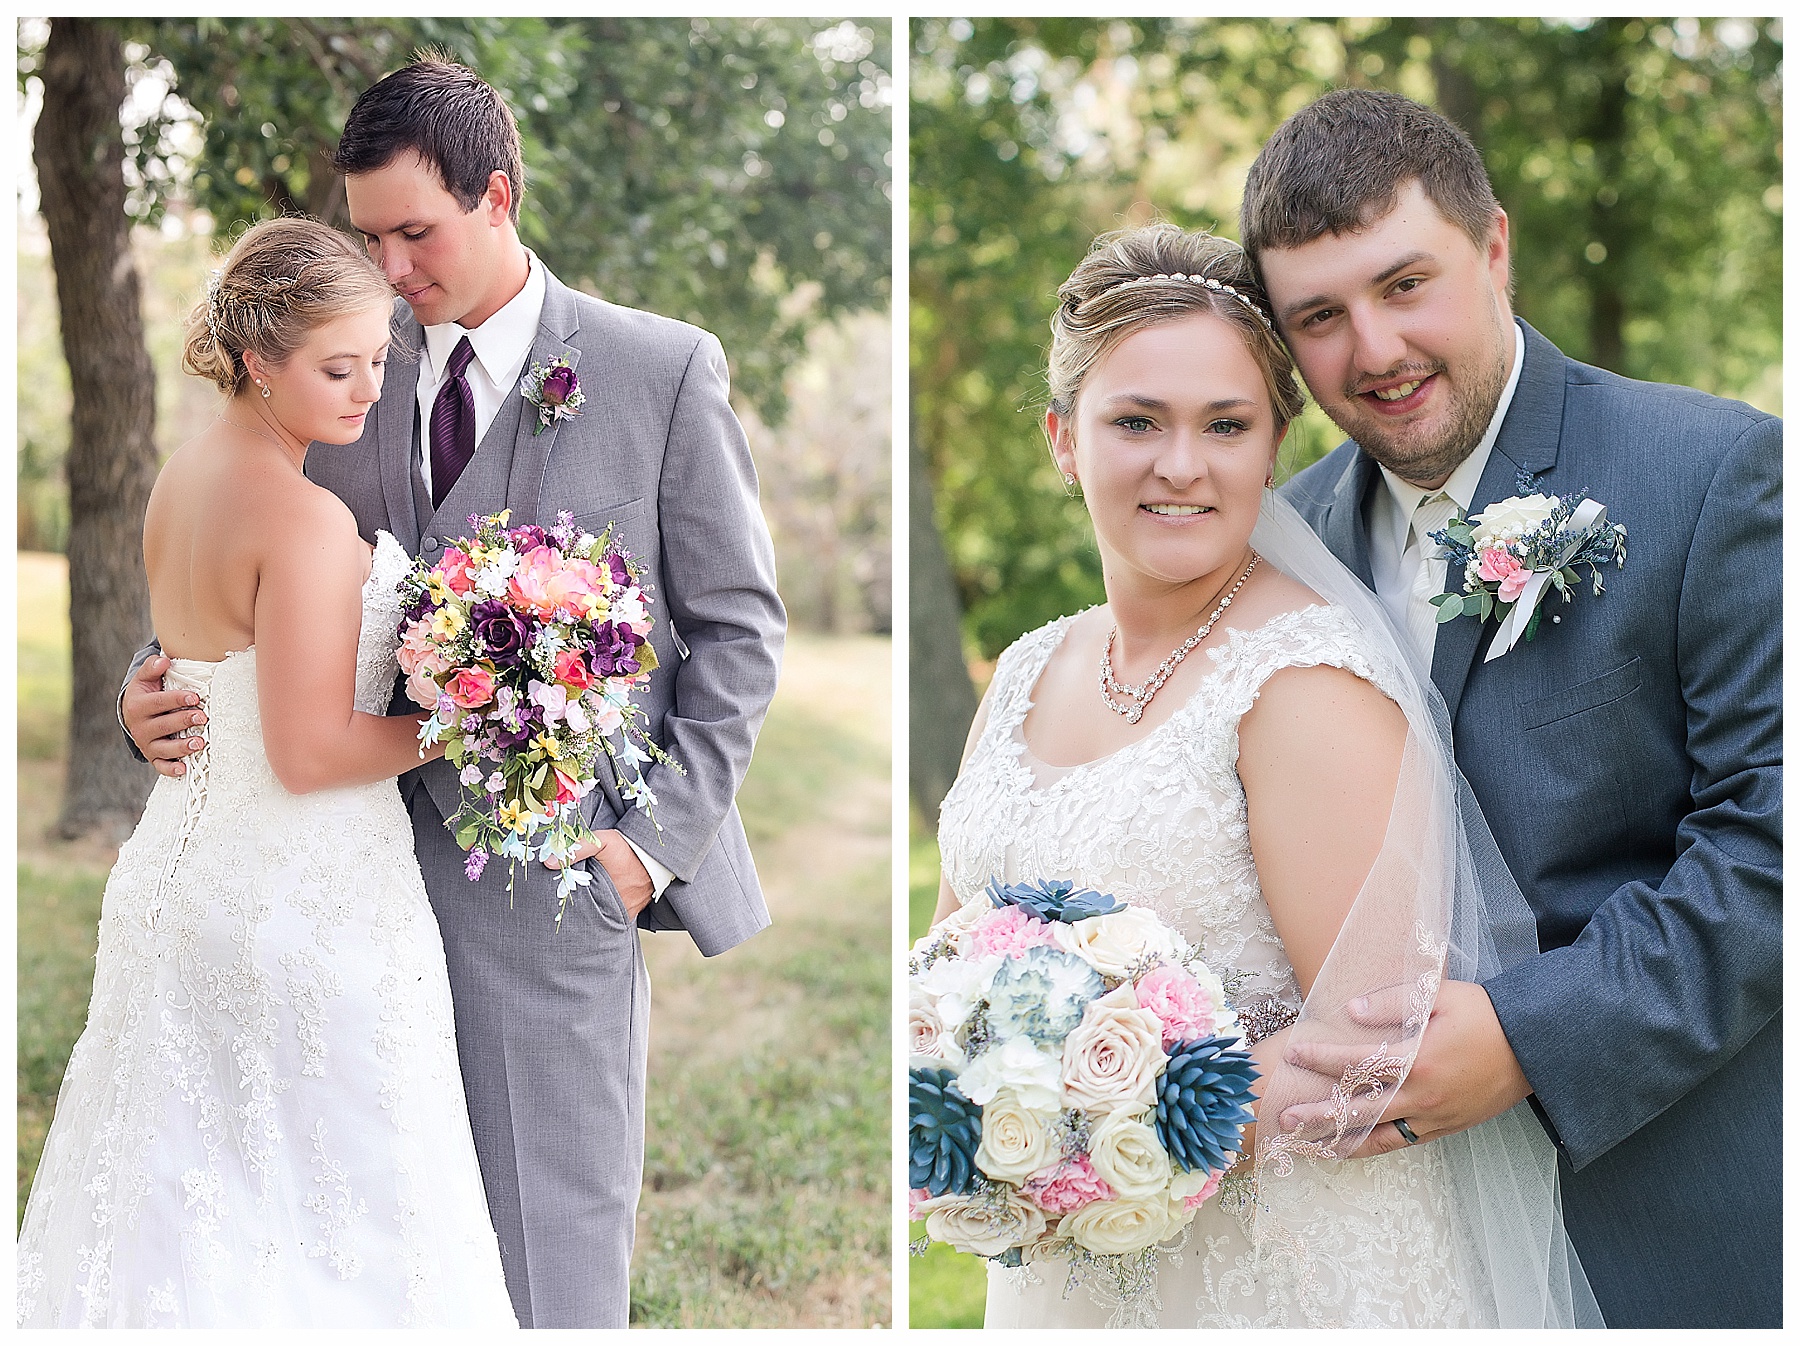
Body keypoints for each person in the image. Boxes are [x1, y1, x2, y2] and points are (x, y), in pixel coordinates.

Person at [119, 59, 786, 1329]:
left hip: (552, 891)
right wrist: (149, 686)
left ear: (499, 196)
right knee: (351, 1253)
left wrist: (645, 852)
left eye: (412, 233)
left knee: (552, 1263)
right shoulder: (334, 368)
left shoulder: (661, 372)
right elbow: (236, 567)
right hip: (337, 898)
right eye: (366, 235)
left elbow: (740, 630)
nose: (388, 266)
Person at [931, 223, 1596, 1327]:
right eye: (1135, 420)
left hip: (1280, 1273)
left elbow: (1378, 1050)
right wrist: (959, 1098)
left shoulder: (1301, 682)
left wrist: (1098, 1133)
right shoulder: (1023, 670)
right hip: (1055, 1267)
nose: (1181, 463)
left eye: (1224, 425)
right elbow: (944, 967)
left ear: (1274, 443)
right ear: (1061, 439)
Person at [1244, 89, 1780, 1330]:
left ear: (1493, 248)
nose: (1372, 350)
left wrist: (1530, 1038)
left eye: (1405, 284)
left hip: (1659, 1209)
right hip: (1386, 1238)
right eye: (1318, 317)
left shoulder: (1716, 473)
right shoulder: (1282, 540)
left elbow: (1771, 845)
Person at [18, 217, 519, 1328]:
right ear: (257, 359)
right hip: (307, 911)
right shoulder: (302, 515)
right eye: (338, 368)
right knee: (337, 1231)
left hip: (172, 885)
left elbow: (200, 670)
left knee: (175, 1216)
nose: (366, 390)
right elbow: (310, 751)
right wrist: (475, 724)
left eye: (380, 361)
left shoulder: (178, 479)